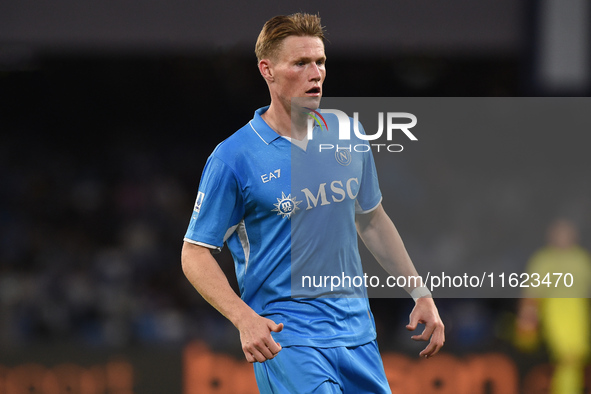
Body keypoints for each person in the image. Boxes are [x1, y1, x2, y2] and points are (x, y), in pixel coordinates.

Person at [181, 13, 444, 393]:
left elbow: (371, 220)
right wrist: (244, 318)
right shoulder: (235, 157)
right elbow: (194, 253)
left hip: (357, 334)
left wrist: (420, 293)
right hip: (288, 337)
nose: (315, 72)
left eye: (320, 61)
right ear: (267, 70)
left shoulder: (348, 133)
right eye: (301, 63)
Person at [516, 218, 591, 394]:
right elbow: (531, 292)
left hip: (579, 317)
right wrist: (526, 316)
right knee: (568, 357)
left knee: (575, 360)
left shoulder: (582, 259)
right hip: (556, 315)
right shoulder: (544, 260)